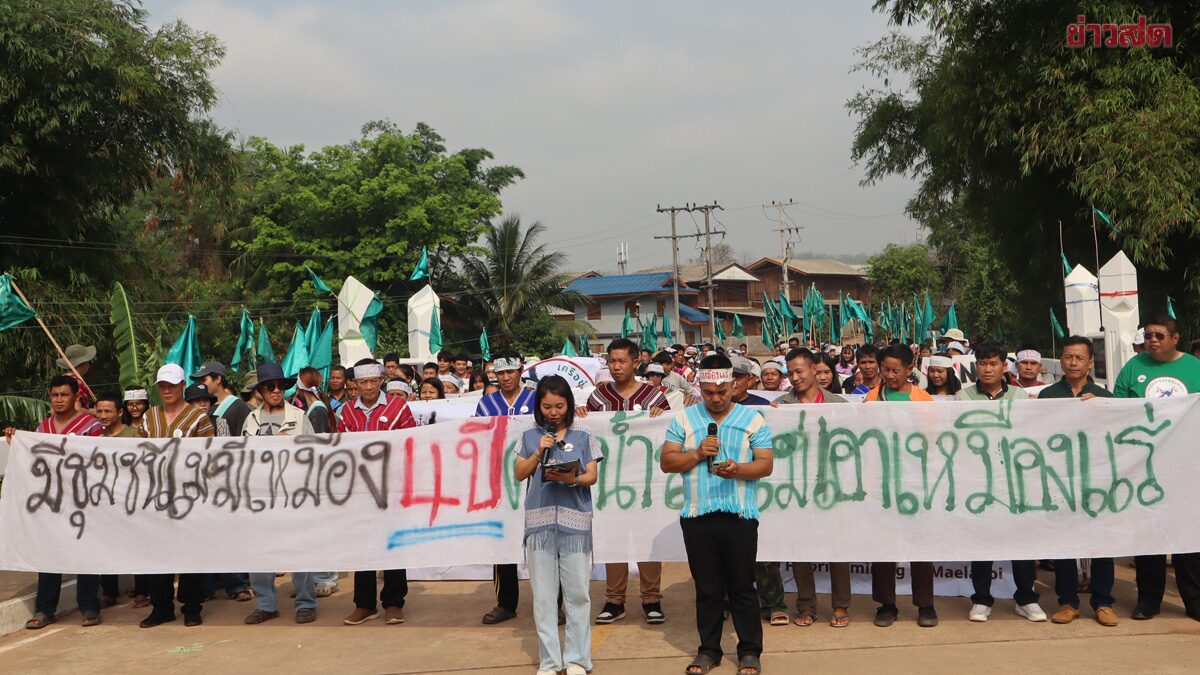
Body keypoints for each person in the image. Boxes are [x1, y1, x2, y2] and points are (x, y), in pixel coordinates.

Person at [661, 354, 773, 675]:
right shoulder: (683, 419)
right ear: (700, 387)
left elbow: (765, 464)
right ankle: (709, 650)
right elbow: (667, 462)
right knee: (707, 590)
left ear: (733, 384)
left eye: (722, 391)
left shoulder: (752, 419)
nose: (716, 398)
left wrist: (738, 470)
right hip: (698, 516)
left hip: (740, 515)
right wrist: (697, 453)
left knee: (742, 587)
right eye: (709, 392)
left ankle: (749, 651)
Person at [1113, 314, 1200, 621]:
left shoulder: (1194, 367)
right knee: (1148, 534)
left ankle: (1194, 601)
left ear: (1176, 338)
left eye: (1159, 335)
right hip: (1145, 466)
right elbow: (1117, 410)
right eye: (1148, 335)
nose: (1152, 340)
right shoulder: (1133, 367)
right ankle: (1148, 600)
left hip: (1187, 466)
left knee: (1188, 535)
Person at [576, 338, 669, 626]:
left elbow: (668, 433)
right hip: (609, 483)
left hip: (645, 482)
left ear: (636, 362)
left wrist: (662, 417)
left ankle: (651, 599)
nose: (616, 367)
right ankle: (614, 600)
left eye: (622, 361)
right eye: (612, 361)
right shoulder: (598, 398)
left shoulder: (654, 397)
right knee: (613, 538)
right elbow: (587, 435)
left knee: (647, 539)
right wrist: (583, 416)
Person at [952, 340, 1044, 622]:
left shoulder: (1019, 396)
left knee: (1021, 540)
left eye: (994, 363)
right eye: (983, 363)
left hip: (1014, 480)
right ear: (976, 366)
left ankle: (1026, 598)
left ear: (1005, 366)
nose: (988, 369)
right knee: (983, 541)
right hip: (979, 481)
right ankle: (981, 599)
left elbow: (1028, 433)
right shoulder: (963, 397)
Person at [515, 375, 601, 675]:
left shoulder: (584, 434)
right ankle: (550, 662)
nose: (553, 412)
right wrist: (539, 452)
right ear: (539, 405)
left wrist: (571, 479)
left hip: (575, 521)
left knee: (578, 594)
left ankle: (577, 660)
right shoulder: (529, 435)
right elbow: (519, 472)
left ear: (569, 405)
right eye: (547, 406)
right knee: (543, 597)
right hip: (539, 523)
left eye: (560, 406)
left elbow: (592, 475)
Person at [5, 376, 104, 629]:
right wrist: (16, 442)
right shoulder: (42, 428)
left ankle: (90, 606)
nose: (59, 400)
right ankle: (45, 609)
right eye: (55, 395)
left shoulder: (91, 425)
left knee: (85, 553)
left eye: (64, 395)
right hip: (50, 502)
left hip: (82, 500)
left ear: (76, 397)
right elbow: (33, 459)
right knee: (48, 553)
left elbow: (100, 460)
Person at [1037, 335, 1117, 626]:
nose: (1073, 363)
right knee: (1064, 542)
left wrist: (1101, 409)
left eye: (1079, 358)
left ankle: (1103, 602)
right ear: (1061, 360)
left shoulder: (1105, 397)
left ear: (1090, 362)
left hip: (1096, 479)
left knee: (1101, 542)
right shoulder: (1047, 395)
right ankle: (1068, 602)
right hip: (1059, 479)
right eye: (1068, 357)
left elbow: (1115, 434)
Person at [768, 349, 851, 628]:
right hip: (797, 489)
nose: (794, 377)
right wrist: (773, 418)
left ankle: (841, 605)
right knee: (800, 547)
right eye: (790, 372)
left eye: (799, 371)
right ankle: (806, 605)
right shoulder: (781, 405)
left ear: (814, 370)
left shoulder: (838, 403)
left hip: (833, 485)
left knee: (838, 547)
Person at [337, 359, 417, 626]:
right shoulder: (346, 412)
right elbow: (341, 449)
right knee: (363, 545)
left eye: (373, 381)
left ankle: (394, 603)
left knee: (393, 543)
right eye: (363, 382)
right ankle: (364, 604)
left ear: (382, 380)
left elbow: (411, 443)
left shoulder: (398, 407)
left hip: (392, 488)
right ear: (355, 384)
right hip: (360, 490)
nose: (369, 387)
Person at [865, 345, 938, 628]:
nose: (889, 375)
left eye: (896, 370)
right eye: (885, 369)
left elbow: (933, 440)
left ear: (910, 369)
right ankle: (887, 604)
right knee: (883, 544)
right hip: (882, 482)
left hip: (916, 481)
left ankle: (925, 604)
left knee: (921, 544)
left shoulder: (923, 398)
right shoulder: (873, 398)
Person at [242, 363, 319, 625]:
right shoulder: (251, 420)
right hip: (261, 495)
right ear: (260, 391)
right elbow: (242, 457)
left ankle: (306, 603)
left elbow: (313, 454)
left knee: (299, 548)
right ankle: (265, 604)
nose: (275, 391)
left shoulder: (299, 417)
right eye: (269, 387)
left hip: (293, 494)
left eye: (280, 386)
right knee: (259, 550)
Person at [140, 364, 215, 628]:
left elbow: (209, 456)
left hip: (189, 495)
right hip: (156, 495)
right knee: (157, 552)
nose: (167, 390)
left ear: (183, 385)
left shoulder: (199, 418)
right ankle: (161, 606)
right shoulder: (149, 417)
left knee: (190, 551)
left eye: (172, 385)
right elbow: (138, 452)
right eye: (162, 385)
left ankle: (192, 606)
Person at [474, 350, 538, 626]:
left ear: (520, 371)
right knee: (502, 542)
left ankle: (552, 601)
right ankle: (506, 603)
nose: (506, 377)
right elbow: (478, 438)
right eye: (500, 373)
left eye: (510, 372)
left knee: (542, 541)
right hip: (499, 482)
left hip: (534, 478)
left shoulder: (536, 398)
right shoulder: (486, 404)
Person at [191, 361, 252, 436]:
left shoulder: (239, 406)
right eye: (199, 381)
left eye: (203, 380)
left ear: (218, 379)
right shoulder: (201, 406)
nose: (201, 385)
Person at [55, 343, 96, 409]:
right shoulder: (76, 381)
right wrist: (94, 412)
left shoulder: (62, 379)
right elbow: (77, 409)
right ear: (83, 363)